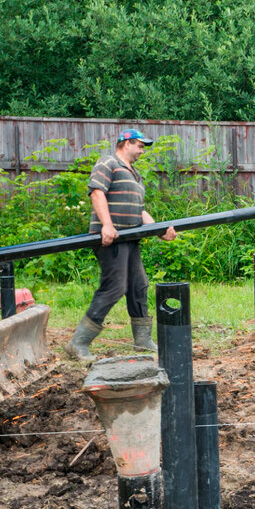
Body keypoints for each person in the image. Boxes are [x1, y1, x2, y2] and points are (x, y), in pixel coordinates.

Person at [65, 129, 176, 361]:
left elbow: (141, 211)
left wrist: (159, 230)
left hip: (130, 238)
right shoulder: (108, 162)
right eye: (140, 146)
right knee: (115, 286)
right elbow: (96, 193)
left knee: (138, 285)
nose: (142, 151)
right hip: (111, 237)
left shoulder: (135, 175)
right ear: (127, 143)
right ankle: (78, 343)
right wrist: (106, 225)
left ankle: (142, 341)